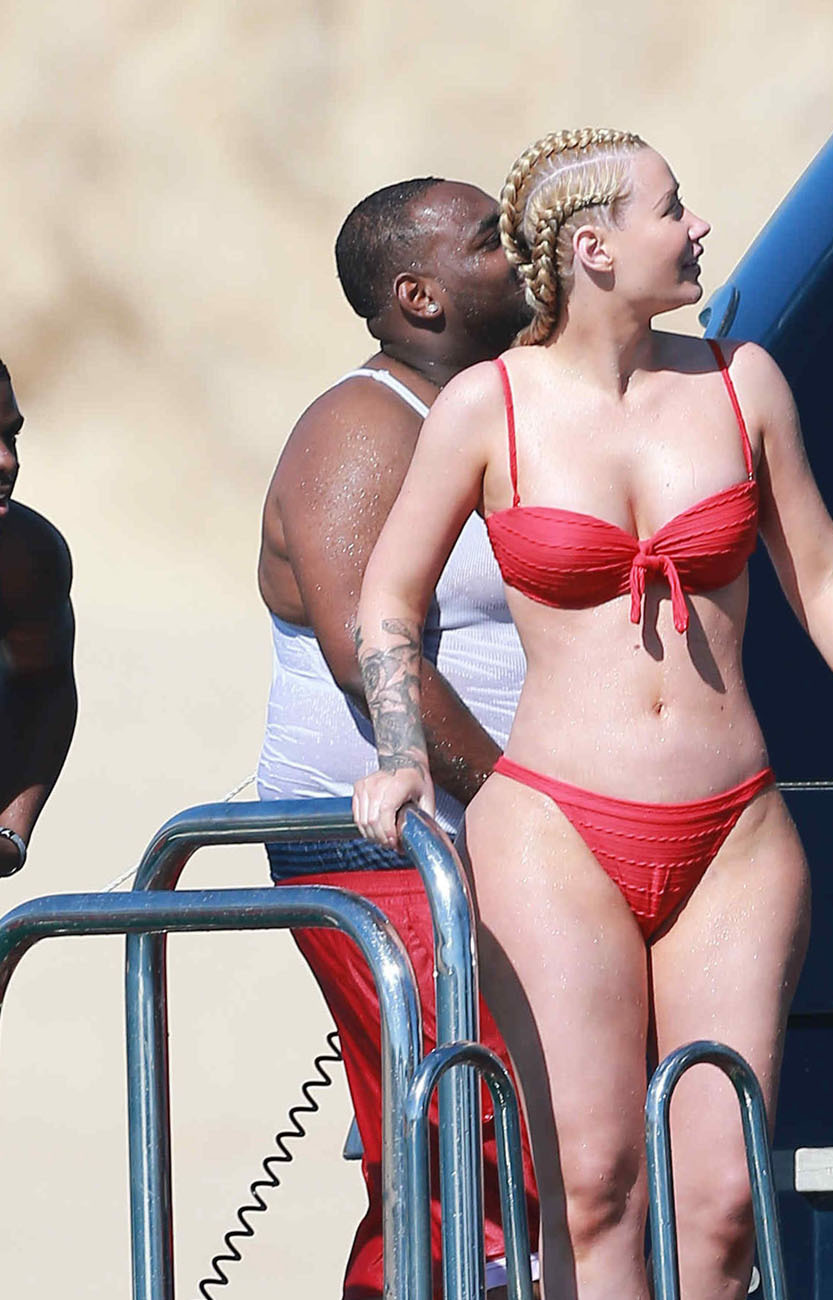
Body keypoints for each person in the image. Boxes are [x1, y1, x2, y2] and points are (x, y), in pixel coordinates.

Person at [353, 128, 833, 1300]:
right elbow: (388, 598)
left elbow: (822, 570)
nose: (696, 228)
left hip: (731, 829)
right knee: (592, 1188)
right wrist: (398, 752)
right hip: (555, 828)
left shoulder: (739, 380)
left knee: (722, 1201)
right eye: (671, 209)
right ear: (593, 247)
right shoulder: (488, 405)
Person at [255, 178, 538, 1300]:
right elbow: (369, 656)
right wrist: (518, 801)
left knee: (492, 1156)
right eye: (492, 240)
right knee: (471, 1147)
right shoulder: (361, 426)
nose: (521, 247)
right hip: (388, 853)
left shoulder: (488, 410)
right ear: (419, 295)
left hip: (483, 842)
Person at [0, 358, 76, 879]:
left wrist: (11, 834)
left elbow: (43, 688)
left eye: (12, 437)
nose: (8, 462)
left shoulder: (25, 557)